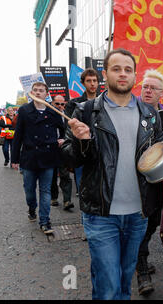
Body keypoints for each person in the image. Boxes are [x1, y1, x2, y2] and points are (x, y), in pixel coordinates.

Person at [61, 48, 163, 300]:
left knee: (124, 280)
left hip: (138, 214)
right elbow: (68, 159)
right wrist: (81, 140)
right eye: (116, 69)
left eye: (128, 70)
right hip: (101, 214)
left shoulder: (150, 115)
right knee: (108, 285)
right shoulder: (84, 111)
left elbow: (158, 154)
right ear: (105, 74)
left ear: (134, 76)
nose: (122, 74)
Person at [135, 68, 163, 296]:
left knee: (153, 223)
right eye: (145, 86)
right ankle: (141, 270)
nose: (148, 90)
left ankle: (138, 257)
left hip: (160, 180)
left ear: (162, 93)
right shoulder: (131, 111)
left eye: (153, 88)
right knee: (140, 225)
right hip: (134, 182)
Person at [11, 82, 65, 234]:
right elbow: (18, 136)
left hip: (48, 156)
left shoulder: (53, 111)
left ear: (46, 94)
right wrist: (14, 159)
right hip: (29, 157)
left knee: (45, 190)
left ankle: (45, 221)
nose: (38, 93)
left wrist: (62, 139)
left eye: (41, 91)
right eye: (35, 90)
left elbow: (63, 130)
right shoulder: (24, 110)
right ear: (32, 93)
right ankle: (31, 208)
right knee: (29, 190)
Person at [65, 68, 100, 196]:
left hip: (99, 147)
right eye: (89, 81)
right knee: (82, 187)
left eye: (95, 80)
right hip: (81, 148)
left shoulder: (105, 102)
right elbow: (68, 127)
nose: (92, 84)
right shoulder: (74, 104)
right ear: (83, 83)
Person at [50, 95, 74, 211]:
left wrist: (65, 140)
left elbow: (71, 132)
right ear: (52, 103)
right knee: (52, 175)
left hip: (64, 150)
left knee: (65, 175)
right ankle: (54, 198)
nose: (60, 106)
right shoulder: (48, 115)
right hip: (51, 150)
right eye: (57, 104)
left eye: (62, 104)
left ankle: (67, 200)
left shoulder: (67, 116)